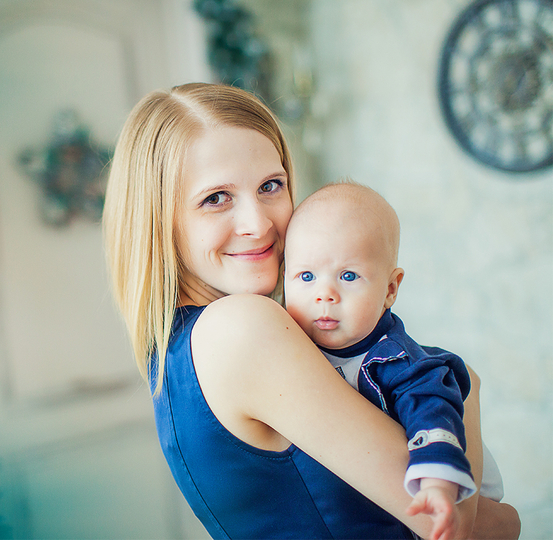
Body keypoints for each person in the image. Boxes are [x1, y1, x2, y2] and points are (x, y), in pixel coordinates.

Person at [103, 82, 520, 539]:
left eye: (270, 186)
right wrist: (462, 385)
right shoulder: (240, 329)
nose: (259, 223)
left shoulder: (178, 350)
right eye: (215, 198)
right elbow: (456, 524)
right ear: (159, 220)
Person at [282, 182, 505, 540]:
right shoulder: (292, 346)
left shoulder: (400, 361)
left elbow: (430, 410)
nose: (324, 294)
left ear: (390, 289)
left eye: (348, 276)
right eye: (306, 276)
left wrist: (437, 482)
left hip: (452, 480)